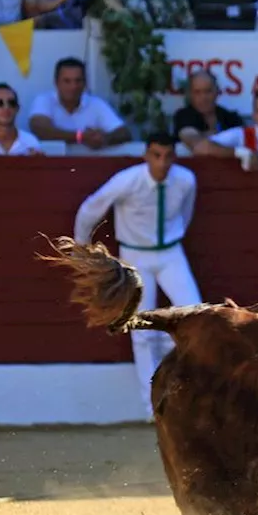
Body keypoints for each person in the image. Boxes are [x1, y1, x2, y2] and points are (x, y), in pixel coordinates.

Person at [72, 132, 200, 418]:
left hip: (170, 253)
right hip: (135, 257)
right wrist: (81, 249)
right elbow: (91, 207)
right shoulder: (128, 180)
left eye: (168, 156)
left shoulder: (186, 180)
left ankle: (184, 392)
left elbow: (185, 215)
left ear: (174, 156)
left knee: (195, 316)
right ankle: (152, 405)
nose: (162, 162)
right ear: (146, 155)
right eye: (156, 155)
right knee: (142, 331)